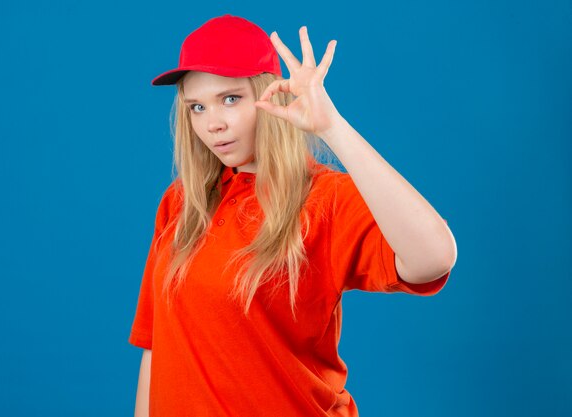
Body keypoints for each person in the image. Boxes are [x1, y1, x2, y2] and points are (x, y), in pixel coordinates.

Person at [129, 14, 457, 417]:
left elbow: (434, 257)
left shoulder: (321, 198)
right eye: (197, 106)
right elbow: (157, 345)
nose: (212, 124)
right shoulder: (182, 203)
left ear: (270, 96)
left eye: (231, 99)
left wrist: (332, 127)